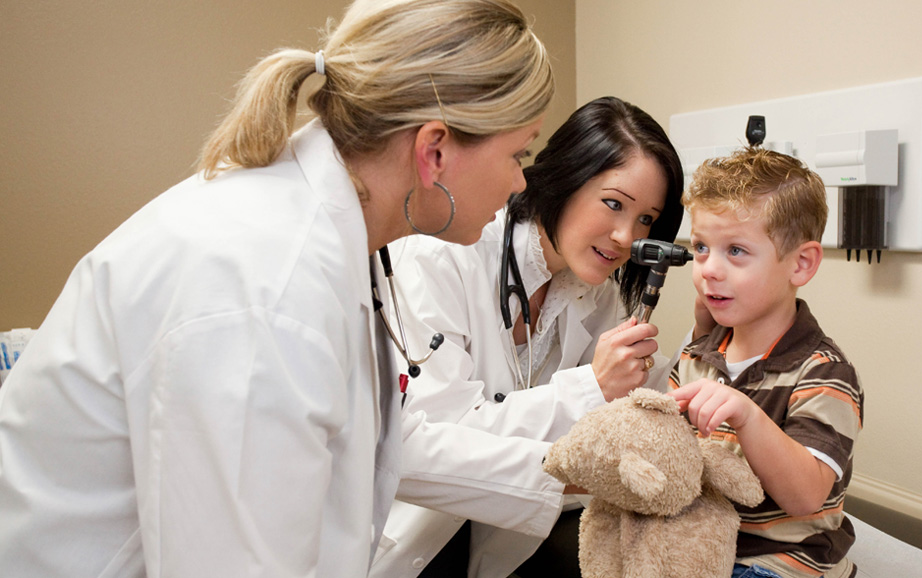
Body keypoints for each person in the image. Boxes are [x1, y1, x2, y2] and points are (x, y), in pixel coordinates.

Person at [0, 1, 572, 576]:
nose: (521, 181)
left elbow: (385, 442)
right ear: (434, 151)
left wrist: (575, 464)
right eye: (518, 153)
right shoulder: (267, 286)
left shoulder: (328, 227)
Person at [368, 96, 685, 578]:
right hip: (412, 530)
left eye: (645, 219)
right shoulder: (446, 254)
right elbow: (440, 438)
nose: (625, 235)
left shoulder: (592, 290)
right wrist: (590, 388)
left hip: (499, 535)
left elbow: (638, 397)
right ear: (564, 179)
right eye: (613, 203)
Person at [668, 147, 864, 578]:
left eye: (736, 250)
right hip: (700, 550)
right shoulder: (698, 354)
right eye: (701, 247)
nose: (709, 269)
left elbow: (806, 497)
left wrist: (746, 416)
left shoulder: (825, 373)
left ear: (801, 263)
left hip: (779, 562)